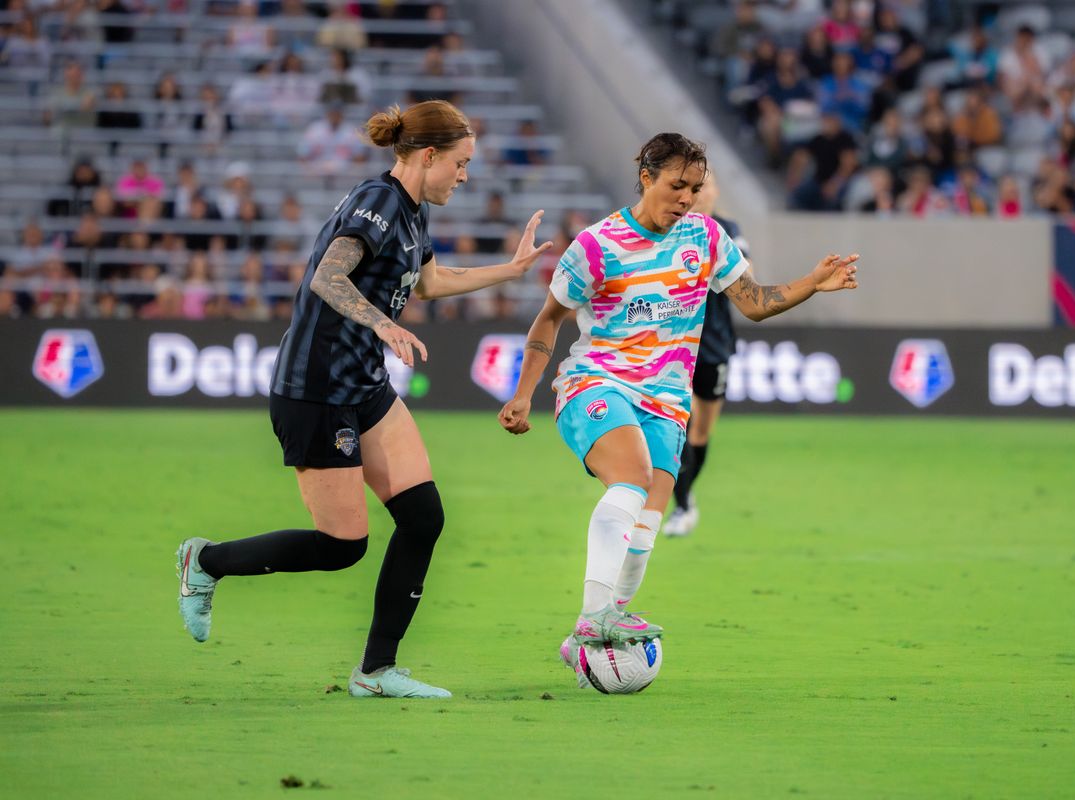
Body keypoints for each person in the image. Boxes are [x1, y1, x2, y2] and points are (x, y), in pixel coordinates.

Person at [175, 100, 553, 699]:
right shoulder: (378, 202)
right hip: (316, 390)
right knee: (342, 546)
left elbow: (429, 283)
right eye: (460, 164)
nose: (465, 176)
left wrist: (510, 271)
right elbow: (328, 276)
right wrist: (381, 325)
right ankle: (206, 562)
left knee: (423, 517)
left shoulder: (411, 211)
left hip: (363, 385)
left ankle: (376, 673)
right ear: (427, 156)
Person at [496, 133, 858, 685]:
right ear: (646, 177)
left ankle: (585, 634)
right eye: (676, 185)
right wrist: (523, 393)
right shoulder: (597, 245)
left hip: (667, 402)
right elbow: (549, 318)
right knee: (633, 479)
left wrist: (812, 283)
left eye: (694, 187)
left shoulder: (707, 239)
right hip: (596, 383)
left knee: (647, 522)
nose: (687, 197)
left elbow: (754, 303)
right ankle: (597, 617)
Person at [661, 171, 745, 537]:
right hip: (677, 342)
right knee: (679, 424)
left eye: (706, 185)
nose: (700, 193)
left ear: (715, 191)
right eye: (693, 187)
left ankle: (686, 495)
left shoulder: (728, 230)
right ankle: (680, 505)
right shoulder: (672, 229)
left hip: (714, 342)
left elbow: (746, 274)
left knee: (701, 430)